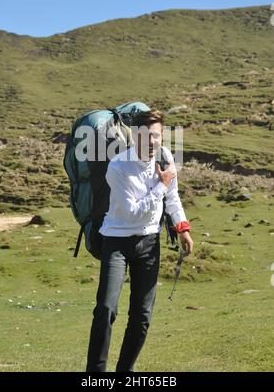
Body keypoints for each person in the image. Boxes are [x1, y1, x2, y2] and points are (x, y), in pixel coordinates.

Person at [86, 109, 193, 372]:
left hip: (148, 244)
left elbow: (172, 199)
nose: (152, 141)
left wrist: (182, 228)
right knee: (106, 309)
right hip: (116, 242)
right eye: (146, 136)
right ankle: (95, 374)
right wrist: (161, 186)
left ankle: (125, 372)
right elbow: (134, 210)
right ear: (135, 136)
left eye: (156, 136)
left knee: (142, 316)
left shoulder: (167, 158)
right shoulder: (118, 166)